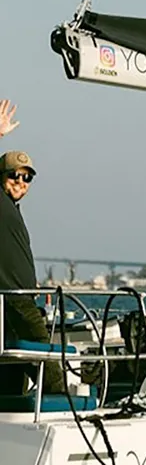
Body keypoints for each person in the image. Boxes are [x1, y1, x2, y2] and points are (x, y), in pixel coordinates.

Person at [0, 100, 66, 395]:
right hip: (16, 304)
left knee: (11, 377)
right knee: (49, 371)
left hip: (16, 301)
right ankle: (69, 415)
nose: (20, 181)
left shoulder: (12, 209)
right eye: (14, 174)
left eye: (27, 177)